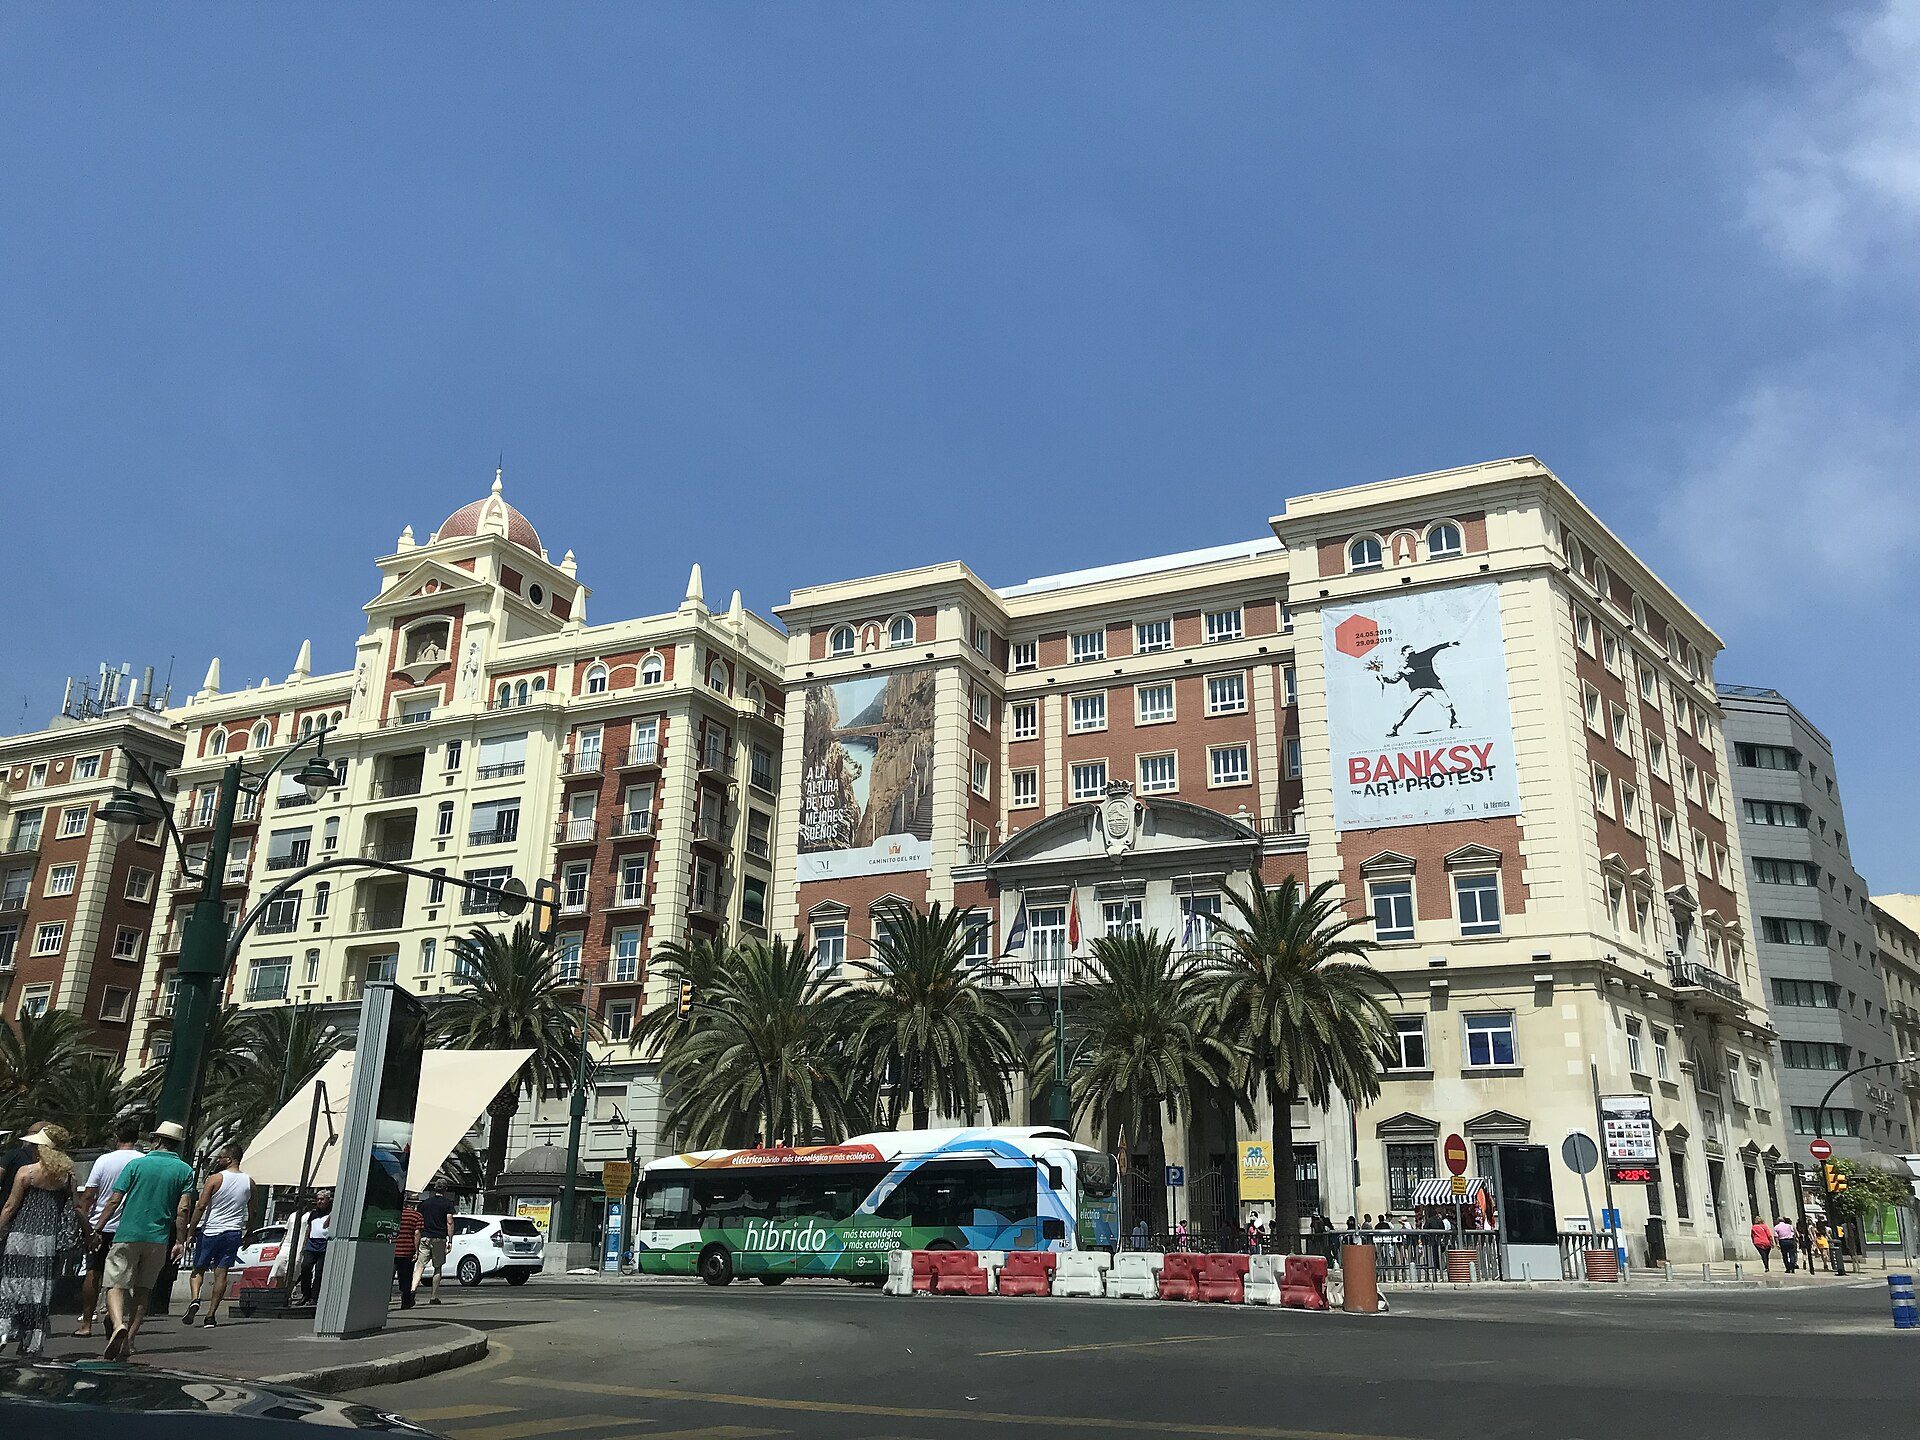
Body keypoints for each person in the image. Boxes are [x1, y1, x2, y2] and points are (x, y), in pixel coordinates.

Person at [96, 1120, 196, 1361]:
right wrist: (180, 1240)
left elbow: (114, 1200)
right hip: (158, 1238)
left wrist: (98, 1227)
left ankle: (118, 1324)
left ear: (158, 1140)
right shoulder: (185, 1171)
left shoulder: (136, 1165)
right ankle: (129, 1340)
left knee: (115, 1284)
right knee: (144, 1290)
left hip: (128, 1234)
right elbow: (183, 1209)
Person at [0, 1124, 81, 1358]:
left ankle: (4, 1331)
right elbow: (74, 1207)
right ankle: (32, 1341)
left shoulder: (27, 1172)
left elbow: (10, 1206)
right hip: (47, 1240)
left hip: (20, 1236)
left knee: (11, 1285)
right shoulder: (66, 1177)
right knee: (39, 1289)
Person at [73, 1119, 142, 1338]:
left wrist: (85, 1225)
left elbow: (90, 1195)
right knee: (126, 1275)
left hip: (102, 1226)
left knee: (94, 1272)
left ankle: (86, 1323)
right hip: (130, 1227)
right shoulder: (143, 1161)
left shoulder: (104, 1161)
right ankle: (116, 1318)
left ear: (116, 1138)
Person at [183, 1146, 253, 1327]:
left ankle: (195, 1299)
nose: (218, 1160)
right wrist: (249, 1232)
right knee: (221, 1274)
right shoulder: (249, 1182)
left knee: (198, 1269)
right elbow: (252, 1210)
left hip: (211, 1231)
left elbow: (201, 1206)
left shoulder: (215, 1179)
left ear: (229, 1159)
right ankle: (211, 1316)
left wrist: (190, 1232)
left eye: (221, 1157)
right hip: (233, 1232)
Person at [416, 1182, 457, 1305]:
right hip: (439, 1238)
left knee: (420, 1266)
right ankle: (433, 1296)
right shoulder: (447, 1204)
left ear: (434, 1189)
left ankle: (412, 1290)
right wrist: (450, 1239)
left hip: (424, 1237)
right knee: (437, 1267)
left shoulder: (425, 1203)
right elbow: (449, 1222)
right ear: (445, 1189)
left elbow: (419, 1219)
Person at [298, 1198, 331, 1306]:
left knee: (319, 1272)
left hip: (324, 1245)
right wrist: (304, 1244)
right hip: (311, 1244)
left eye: (322, 1199)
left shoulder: (331, 1213)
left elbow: (327, 1225)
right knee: (305, 1267)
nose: (320, 1201)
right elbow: (309, 1228)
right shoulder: (313, 1214)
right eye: (318, 1199)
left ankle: (314, 1297)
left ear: (327, 1201)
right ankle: (305, 1294)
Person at [393, 1198, 424, 1310]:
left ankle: (385, 1301)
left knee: (388, 1278)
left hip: (393, 1250)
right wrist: (416, 1251)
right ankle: (405, 1302)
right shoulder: (417, 1216)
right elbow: (417, 1234)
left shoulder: (395, 1214)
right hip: (407, 1251)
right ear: (413, 1205)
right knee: (406, 1278)